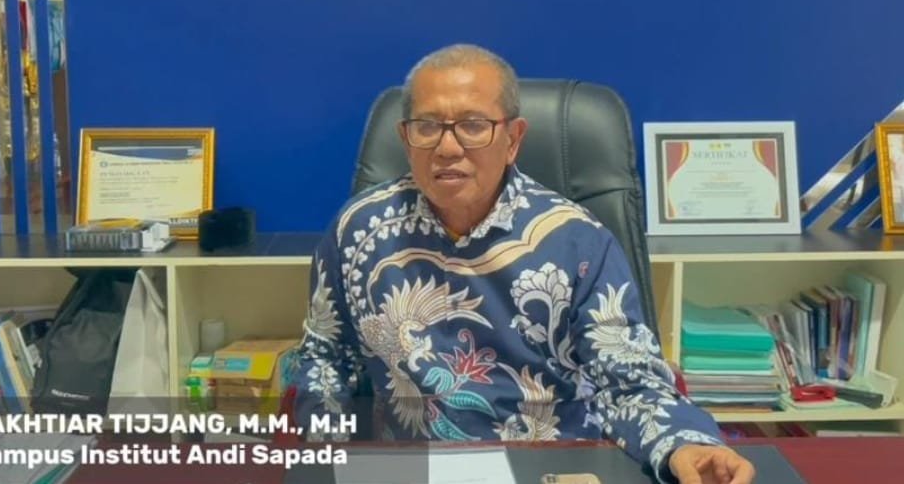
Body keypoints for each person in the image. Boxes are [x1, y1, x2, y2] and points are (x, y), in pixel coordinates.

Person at [291, 45, 755, 484]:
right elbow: (327, 357)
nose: (447, 148)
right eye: (427, 126)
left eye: (473, 125)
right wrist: (329, 456)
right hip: (413, 468)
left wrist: (685, 445)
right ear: (405, 138)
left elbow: (629, 383)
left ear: (513, 139)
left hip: (548, 466)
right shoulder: (358, 230)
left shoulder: (578, 242)